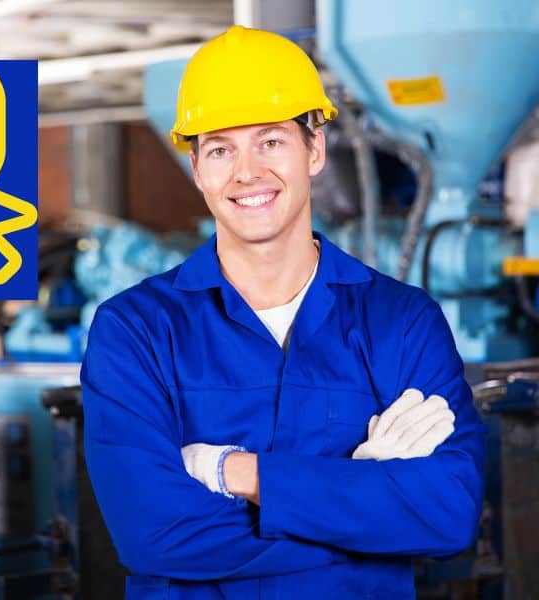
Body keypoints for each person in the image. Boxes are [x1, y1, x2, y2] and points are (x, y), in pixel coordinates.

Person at [81, 25, 486, 599]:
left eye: (270, 141)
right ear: (197, 169)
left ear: (314, 150)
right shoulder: (136, 330)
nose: (247, 172)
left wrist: (240, 473)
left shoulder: (401, 321)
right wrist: (362, 497)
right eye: (221, 149)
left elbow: (450, 513)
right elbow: (155, 535)